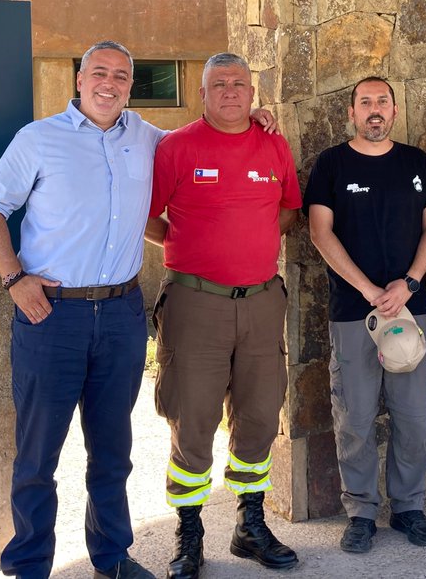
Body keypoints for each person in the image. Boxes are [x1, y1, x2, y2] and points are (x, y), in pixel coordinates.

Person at [0, 41, 159, 579]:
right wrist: (14, 279)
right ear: (79, 79)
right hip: (51, 318)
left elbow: (205, 143)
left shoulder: (146, 137)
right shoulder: (38, 139)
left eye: (121, 76)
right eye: (99, 72)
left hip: (122, 315)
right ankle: (29, 566)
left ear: (130, 85)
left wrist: (254, 115)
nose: (110, 83)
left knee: (113, 450)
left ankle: (112, 557)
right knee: (38, 456)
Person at [146, 52, 302, 578]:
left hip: (261, 301)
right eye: (220, 84)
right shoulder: (176, 147)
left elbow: (288, 209)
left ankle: (248, 525)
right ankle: (189, 534)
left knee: (258, 416)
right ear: (204, 93)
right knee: (192, 418)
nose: (231, 91)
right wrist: (188, 246)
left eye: (240, 83)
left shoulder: (274, 144)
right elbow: (148, 217)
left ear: (253, 93)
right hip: (196, 303)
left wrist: (250, 247)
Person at [304, 76, 426, 554]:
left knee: (412, 415)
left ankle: (408, 507)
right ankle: (361, 512)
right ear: (352, 112)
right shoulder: (332, 164)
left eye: (382, 101)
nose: (374, 109)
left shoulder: (416, 162)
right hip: (353, 312)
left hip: (410, 308)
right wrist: (367, 290)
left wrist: (409, 282)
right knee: (355, 417)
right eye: (366, 102)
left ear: (395, 110)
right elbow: (320, 232)